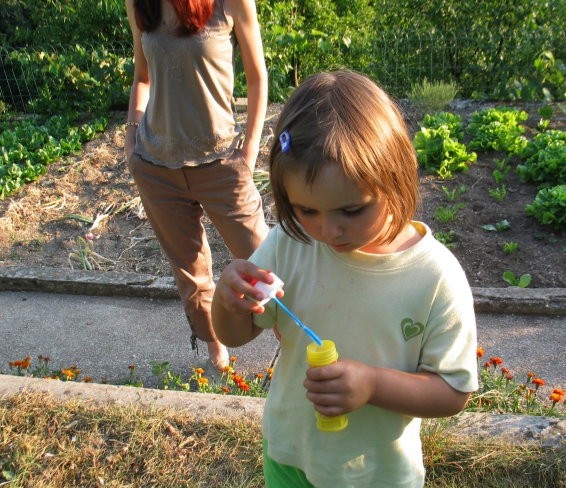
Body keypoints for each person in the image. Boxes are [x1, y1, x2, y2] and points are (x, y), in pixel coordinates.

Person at [212, 70, 479, 487]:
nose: (328, 230)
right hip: (289, 457)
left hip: (376, 474)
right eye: (307, 210)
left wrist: (372, 385)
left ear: (395, 177)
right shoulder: (289, 243)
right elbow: (236, 334)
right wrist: (227, 301)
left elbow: (454, 391)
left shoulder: (433, 276)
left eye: (351, 211)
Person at [124, 0, 269, 369]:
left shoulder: (230, 3)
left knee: (265, 265)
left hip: (221, 161)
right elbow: (142, 77)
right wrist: (131, 143)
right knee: (191, 273)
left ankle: (295, 346)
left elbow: (257, 77)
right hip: (156, 167)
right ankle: (215, 352)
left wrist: (249, 152)